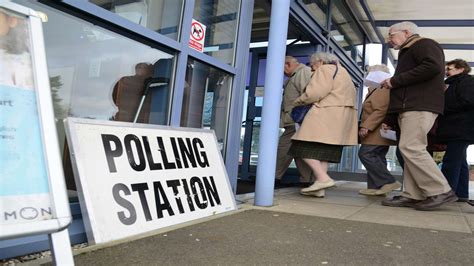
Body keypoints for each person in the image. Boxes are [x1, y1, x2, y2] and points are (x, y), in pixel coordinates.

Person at [380, 21, 457, 211]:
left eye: (391, 35)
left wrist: (395, 80)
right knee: (410, 149)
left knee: (411, 147)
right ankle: (413, 195)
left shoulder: (424, 44)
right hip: (412, 105)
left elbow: (433, 66)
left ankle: (440, 190)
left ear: (406, 32)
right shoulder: (409, 50)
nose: (389, 40)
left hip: (418, 105)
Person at [288, 52, 358, 197]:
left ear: (320, 61)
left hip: (326, 113)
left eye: (313, 66)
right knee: (324, 152)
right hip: (341, 117)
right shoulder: (344, 73)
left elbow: (315, 93)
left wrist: (298, 101)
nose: (312, 69)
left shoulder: (325, 69)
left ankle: (324, 178)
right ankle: (320, 187)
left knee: (299, 147)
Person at [358, 65, 400, 196]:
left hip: (376, 130)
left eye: (369, 74)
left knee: (366, 154)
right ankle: (376, 187)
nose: (367, 77)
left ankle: (388, 181)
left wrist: (366, 126)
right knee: (378, 157)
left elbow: (380, 109)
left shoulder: (382, 89)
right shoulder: (376, 89)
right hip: (379, 131)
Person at [436, 59, 474, 203]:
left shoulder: (466, 82)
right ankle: (461, 193)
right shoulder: (456, 84)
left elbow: (468, 101)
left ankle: (446, 193)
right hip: (459, 128)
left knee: (451, 160)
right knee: (460, 161)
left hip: (460, 128)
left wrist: (444, 109)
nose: (447, 72)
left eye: (450, 69)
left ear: (461, 69)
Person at [275, 56, 313, 186]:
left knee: (283, 148)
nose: (283, 72)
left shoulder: (303, 72)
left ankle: (274, 177)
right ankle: (307, 180)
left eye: (282, 69)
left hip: (297, 121)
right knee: (299, 151)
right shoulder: (297, 75)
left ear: (287, 64)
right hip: (295, 121)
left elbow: (309, 94)